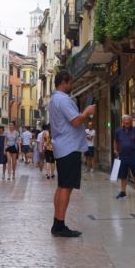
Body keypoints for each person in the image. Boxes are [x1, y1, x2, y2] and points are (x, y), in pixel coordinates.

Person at [49, 70, 95, 237]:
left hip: (62, 146)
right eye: (71, 82)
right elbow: (75, 120)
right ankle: (59, 225)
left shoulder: (54, 99)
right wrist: (87, 111)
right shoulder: (63, 99)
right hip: (69, 147)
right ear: (64, 82)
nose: (72, 85)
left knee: (62, 186)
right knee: (66, 188)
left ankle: (57, 222)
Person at [113, 114, 135, 199]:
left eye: (128, 120)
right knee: (123, 175)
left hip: (133, 155)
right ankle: (123, 192)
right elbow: (115, 141)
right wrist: (115, 149)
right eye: (125, 120)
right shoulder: (118, 131)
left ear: (131, 121)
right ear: (122, 122)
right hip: (123, 155)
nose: (126, 122)